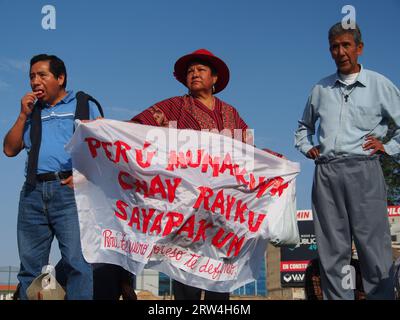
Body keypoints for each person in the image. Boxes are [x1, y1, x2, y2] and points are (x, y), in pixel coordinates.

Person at [131, 48, 251, 300]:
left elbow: (248, 152)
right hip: (186, 206)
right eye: (190, 71)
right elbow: (135, 128)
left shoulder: (231, 113)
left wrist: (272, 159)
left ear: (215, 78)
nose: (194, 74)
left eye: (201, 70)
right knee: (185, 274)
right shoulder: (174, 107)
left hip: (222, 208)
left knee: (219, 276)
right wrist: (103, 129)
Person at [295, 22, 400, 299]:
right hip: (327, 172)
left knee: (373, 247)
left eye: (346, 45)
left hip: (363, 169)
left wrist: (388, 147)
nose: (340, 51)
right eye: (334, 46)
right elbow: (303, 127)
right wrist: (307, 147)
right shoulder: (321, 88)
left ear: (359, 48)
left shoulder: (380, 85)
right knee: (332, 250)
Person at [3, 54, 102, 300]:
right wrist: (23, 115)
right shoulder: (32, 111)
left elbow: (102, 148)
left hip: (70, 193)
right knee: (29, 269)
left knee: (77, 263)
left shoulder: (83, 104)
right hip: (33, 193)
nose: (35, 81)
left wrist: (84, 176)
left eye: (42, 75)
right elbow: (9, 149)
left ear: (60, 78)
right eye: (31, 76)